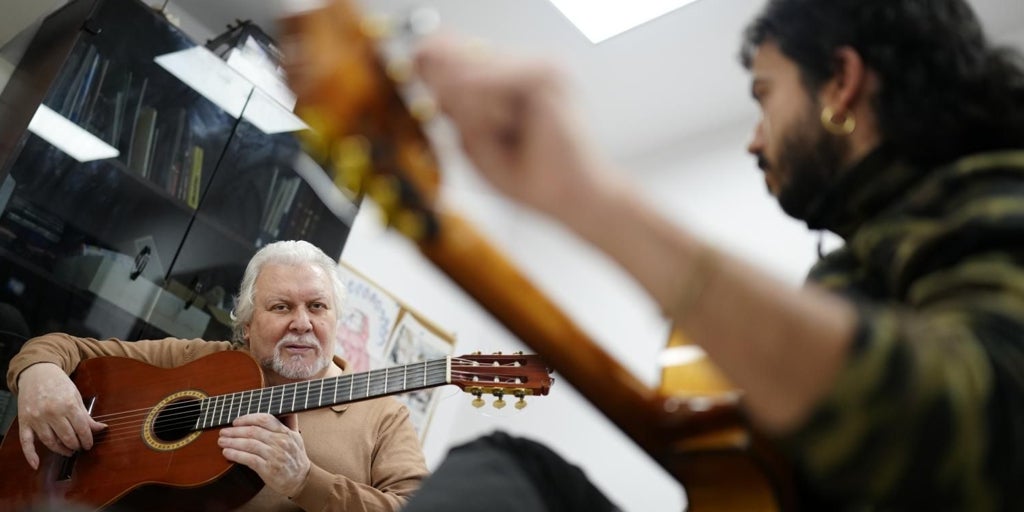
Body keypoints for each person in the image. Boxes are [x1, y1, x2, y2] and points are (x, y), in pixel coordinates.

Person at [408, 0, 1024, 509]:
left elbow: (982, 435)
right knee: (508, 473)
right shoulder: (869, 252)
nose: (755, 139)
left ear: (841, 82)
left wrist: (592, 199)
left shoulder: (996, 189)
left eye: (765, 95)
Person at [6, 240, 428, 511]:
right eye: (281, 307)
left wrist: (306, 481)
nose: (301, 322)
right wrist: (39, 372)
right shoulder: (198, 359)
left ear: (335, 320)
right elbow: (64, 348)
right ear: (246, 324)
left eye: (317, 307)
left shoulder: (383, 417)